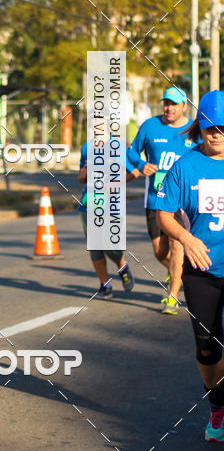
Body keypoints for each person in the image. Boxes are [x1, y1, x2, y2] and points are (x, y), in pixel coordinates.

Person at [156, 90, 224, 442]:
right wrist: (186, 238)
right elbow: (163, 214)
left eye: (223, 128)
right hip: (202, 270)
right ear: (200, 127)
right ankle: (217, 402)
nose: (216, 134)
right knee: (208, 348)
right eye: (210, 127)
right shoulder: (186, 165)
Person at [127, 87, 196, 314]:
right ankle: (179, 274)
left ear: (184, 105)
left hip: (181, 201)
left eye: (174, 104)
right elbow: (132, 151)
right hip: (155, 199)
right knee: (159, 251)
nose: (169, 108)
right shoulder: (150, 126)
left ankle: (173, 297)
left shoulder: (193, 130)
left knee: (177, 245)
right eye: (166, 103)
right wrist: (141, 165)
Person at [77, 141, 135, 297]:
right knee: (95, 246)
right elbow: (82, 176)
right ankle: (105, 284)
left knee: (111, 247)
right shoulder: (86, 147)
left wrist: (112, 185)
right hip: (88, 203)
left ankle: (122, 265)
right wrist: (82, 177)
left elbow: (134, 172)